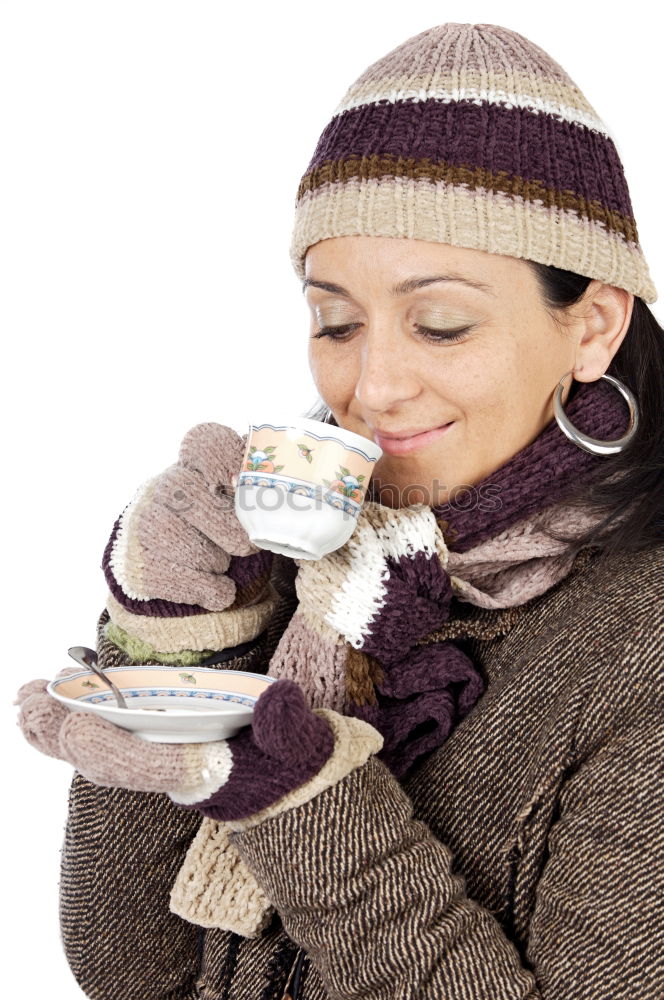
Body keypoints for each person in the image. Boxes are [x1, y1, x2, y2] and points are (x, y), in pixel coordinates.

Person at [15, 21, 664, 1000]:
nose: (371, 384)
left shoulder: (640, 648)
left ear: (593, 325)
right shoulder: (313, 570)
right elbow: (131, 968)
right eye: (335, 321)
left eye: (440, 323)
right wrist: (184, 643)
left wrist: (309, 803)